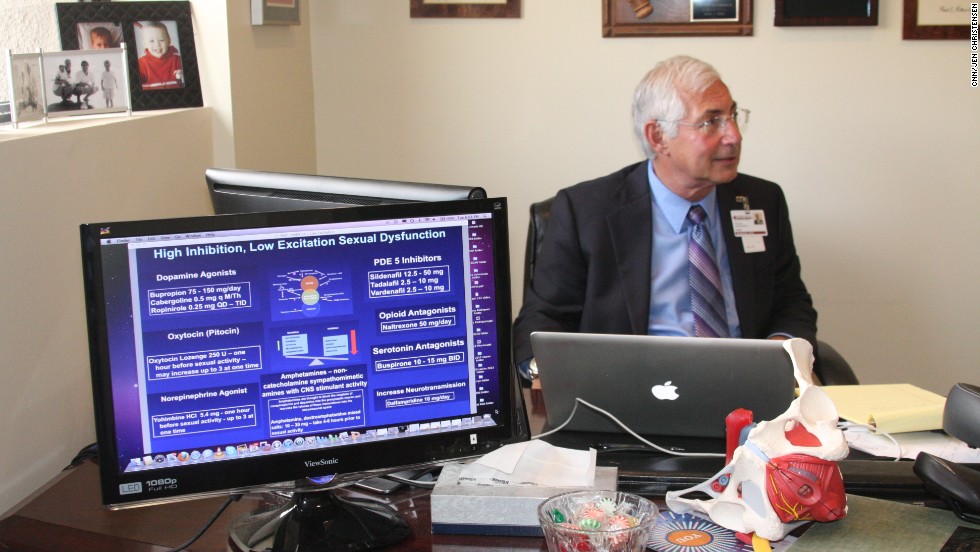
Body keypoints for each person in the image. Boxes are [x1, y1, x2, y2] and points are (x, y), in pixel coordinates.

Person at [512, 55, 817, 381]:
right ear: (658, 137)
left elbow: (790, 300)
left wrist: (782, 353)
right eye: (711, 121)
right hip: (629, 391)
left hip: (747, 390)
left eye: (732, 115)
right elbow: (542, 317)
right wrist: (545, 370)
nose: (734, 136)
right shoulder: (585, 210)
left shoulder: (762, 201)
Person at [137, 21, 184, 90]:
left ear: (168, 41)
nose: (157, 45)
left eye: (161, 40)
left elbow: (183, 84)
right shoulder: (141, 63)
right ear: (145, 44)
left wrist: (181, 75)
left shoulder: (177, 60)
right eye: (151, 41)